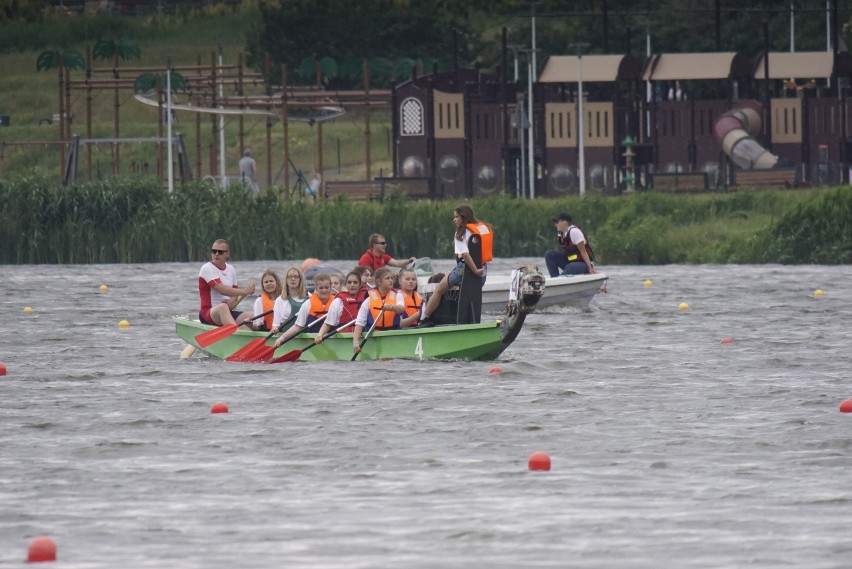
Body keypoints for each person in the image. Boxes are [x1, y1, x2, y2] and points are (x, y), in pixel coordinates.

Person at [419, 205, 492, 328]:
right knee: (471, 294)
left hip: (467, 269)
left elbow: (465, 254)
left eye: (456, 217)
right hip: (483, 269)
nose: (454, 220)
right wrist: (478, 271)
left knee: (439, 290)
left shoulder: (461, 232)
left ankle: (424, 319)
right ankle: (471, 320)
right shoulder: (482, 228)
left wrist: (474, 270)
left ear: (463, 217)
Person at [198, 239, 256, 327]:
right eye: (214, 251)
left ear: (227, 254)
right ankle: (237, 334)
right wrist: (245, 291)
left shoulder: (231, 269)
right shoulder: (207, 268)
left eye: (220, 252)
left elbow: (234, 293)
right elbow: (222, 289)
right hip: (208, 314)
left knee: (254, 316)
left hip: (227, 311)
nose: (216, 254)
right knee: (222, 307)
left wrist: (231, 302)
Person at [351, 267, 406, 355]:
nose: (391, 280)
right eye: (387, 278)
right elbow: (360, 322)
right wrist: (355, 341)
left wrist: (391, 307)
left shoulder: (398, 295)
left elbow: (401, 309)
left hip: (393, 334)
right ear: (379, 282)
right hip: (375, 335)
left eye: (392, 278)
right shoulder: (369, 300)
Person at [273, 273, 336, 348]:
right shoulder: (308, 304)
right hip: (312, 340)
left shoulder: (336, 302)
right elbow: (298, 326)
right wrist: (282, 338)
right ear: (316, 288)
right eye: (321, 288)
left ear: (331, 288)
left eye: (327, 287)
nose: (324, 290)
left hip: (333, 337)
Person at [314, 270, 364, 340]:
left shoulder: (366, 299)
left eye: (355, 282)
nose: (352, 285)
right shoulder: (338, 301)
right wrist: (320, 335)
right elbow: (328, 323)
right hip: (344, 337)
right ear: (346, 285)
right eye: (349, 282)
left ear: (360, 284)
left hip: (363, 335)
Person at [544, 212, 596, 277]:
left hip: (583, 263)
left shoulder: (574, 232)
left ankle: (560, 280)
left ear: (564, 222)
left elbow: (583, 251)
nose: (555, 225)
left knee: (571, 266)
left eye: (557, 222)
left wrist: (590, 268)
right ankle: (554, 280)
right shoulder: (561, 234)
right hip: (571, 262)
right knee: (549, 254)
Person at [269, 265, 308, 334]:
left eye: (296, 277)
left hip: (305, 335)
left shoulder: (309, 297)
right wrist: (275, 328)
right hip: (286, 337)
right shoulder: (280, 300)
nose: (293, 279)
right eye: (289, 277)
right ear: (286, 280)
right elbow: (276, 324)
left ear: (300, 279)